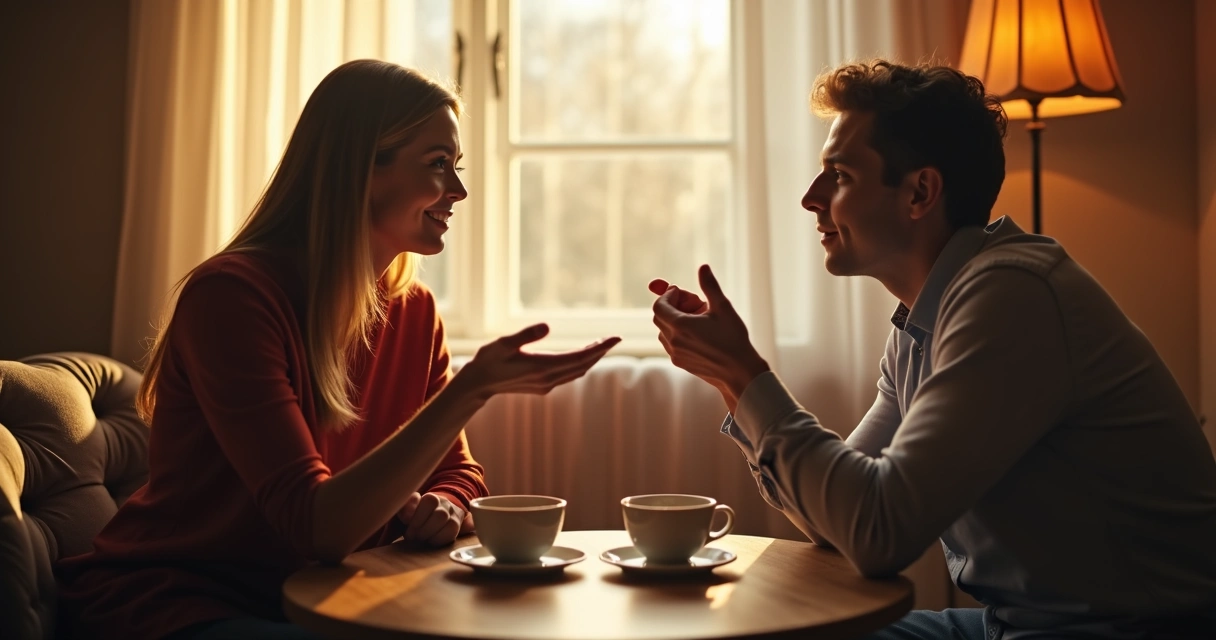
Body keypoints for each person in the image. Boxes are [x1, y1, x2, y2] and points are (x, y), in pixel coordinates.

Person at [649, 60, 1216, 639]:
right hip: (1011, 625)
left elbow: (878, 533)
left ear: (920, 191)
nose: (810, 198)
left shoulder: (1013, 297)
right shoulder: (922, 324)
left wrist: (747, 374)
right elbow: (836, 524)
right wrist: (728, 380)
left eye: (839, 175)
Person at [56, 59, 620, 640]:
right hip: (183, 600)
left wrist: (445, 504)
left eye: (456, 167)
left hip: (331, 596)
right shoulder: (233, 297)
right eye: (437, 166)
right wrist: (473, 389)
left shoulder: (413, 311)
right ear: (360, 170)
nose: (459, 190)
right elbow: (314, 526)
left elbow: (461, 472)